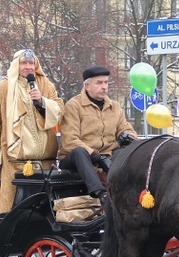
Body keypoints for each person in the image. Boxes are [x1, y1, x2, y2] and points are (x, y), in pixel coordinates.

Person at [0, 49, 64, 213]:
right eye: (24, 63)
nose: (28, 67)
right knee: (8, 208)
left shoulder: (45, 85)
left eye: (31, 63)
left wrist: (42, 101)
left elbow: (60, 110)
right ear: (15, 65)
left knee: (45, 212)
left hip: (45, 165)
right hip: (14, 165)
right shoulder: (3, 88)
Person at [59, 66, 138, 199]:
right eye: (99, 83)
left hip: (108, 156)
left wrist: (127, 136)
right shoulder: (74, 106)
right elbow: (70, 141)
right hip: (77, 159)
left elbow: (126, 129)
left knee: (129, 151)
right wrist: (97, 158)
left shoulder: (115, 107)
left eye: (106, 83)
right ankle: (101, 194)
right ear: (87, 86)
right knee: (79, 152)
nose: (104, 87)